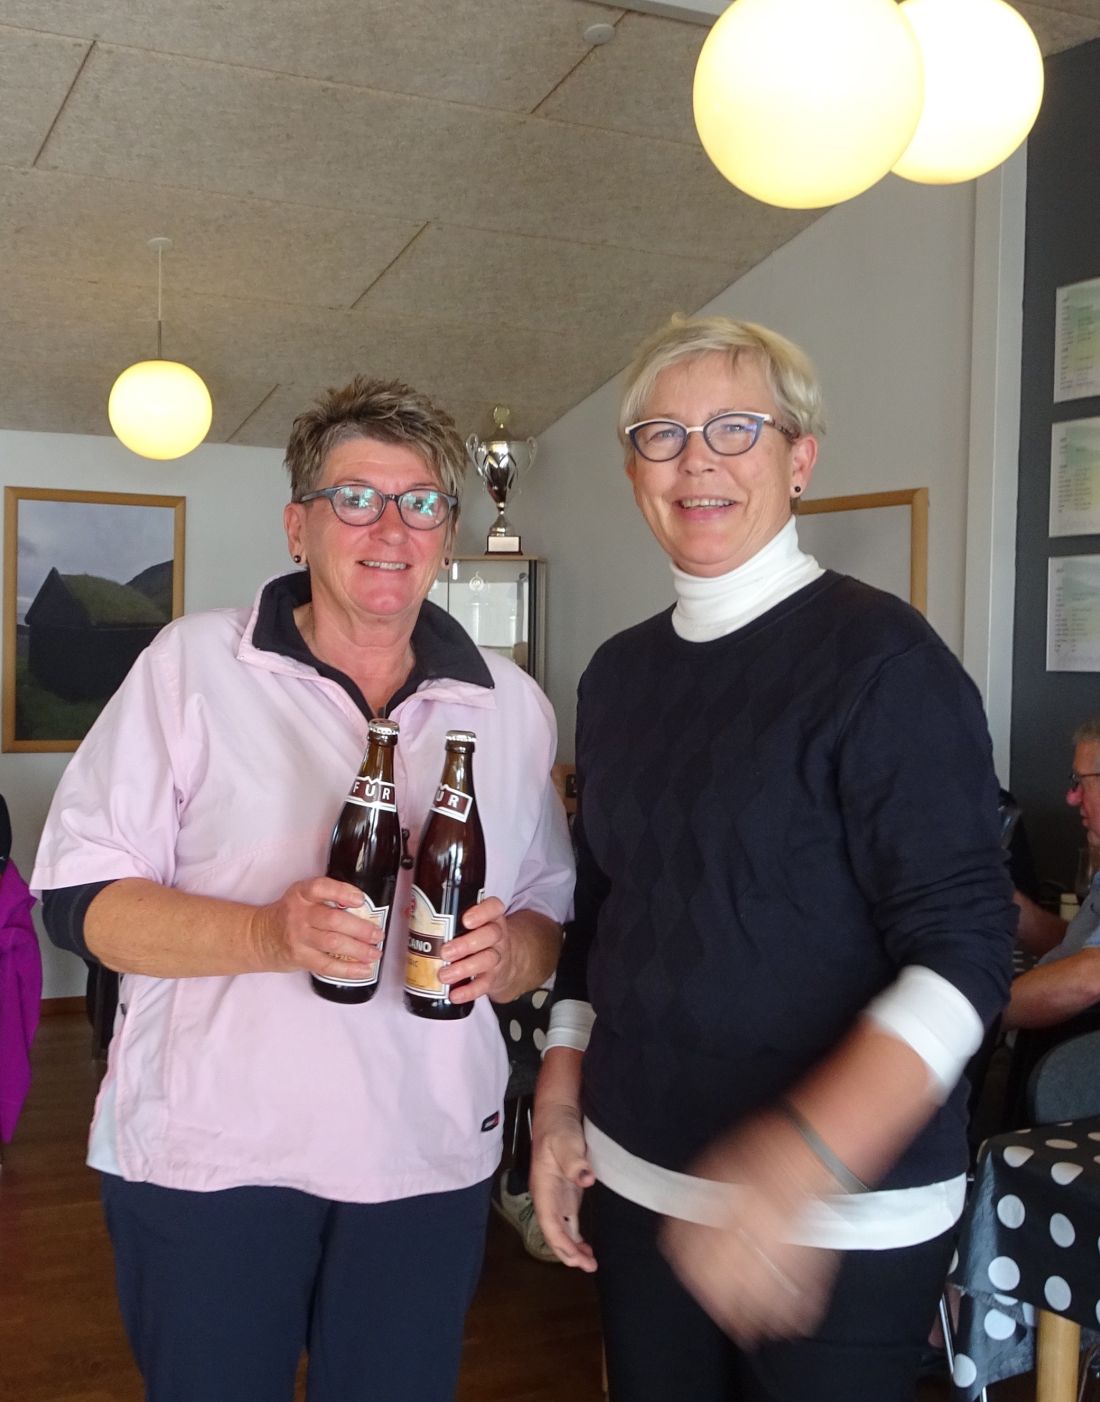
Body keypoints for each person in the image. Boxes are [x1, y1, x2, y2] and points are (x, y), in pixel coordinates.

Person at [32, 376, 574, 1402]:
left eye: (420, 502)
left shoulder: (510, 706)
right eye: (355, 498)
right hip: (212, 1159)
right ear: (298, 526)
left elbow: (549, 911)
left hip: (423, 1158)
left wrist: (511, 954)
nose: (390, 528)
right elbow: (79, 902)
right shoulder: (192, 665)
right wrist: (266, 936)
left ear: (447, 531)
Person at [530, 314, 1016, 1402]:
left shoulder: (884, 662)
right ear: (633, 472)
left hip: (838, 1216)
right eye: (662, 435)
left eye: (735, 428)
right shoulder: (617, 675)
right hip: (639, 1177)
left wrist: (802, 1159)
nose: (696, 460)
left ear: (800, 460)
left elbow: (968, 947)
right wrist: (559, 1097)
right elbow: (605, 912)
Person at [1005, 719, 1100, 1032]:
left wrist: (968, 1015)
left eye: (1081, 781)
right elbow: (1075, 947)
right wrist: (1006, 899)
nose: (1072, 797)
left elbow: (1090, 976)